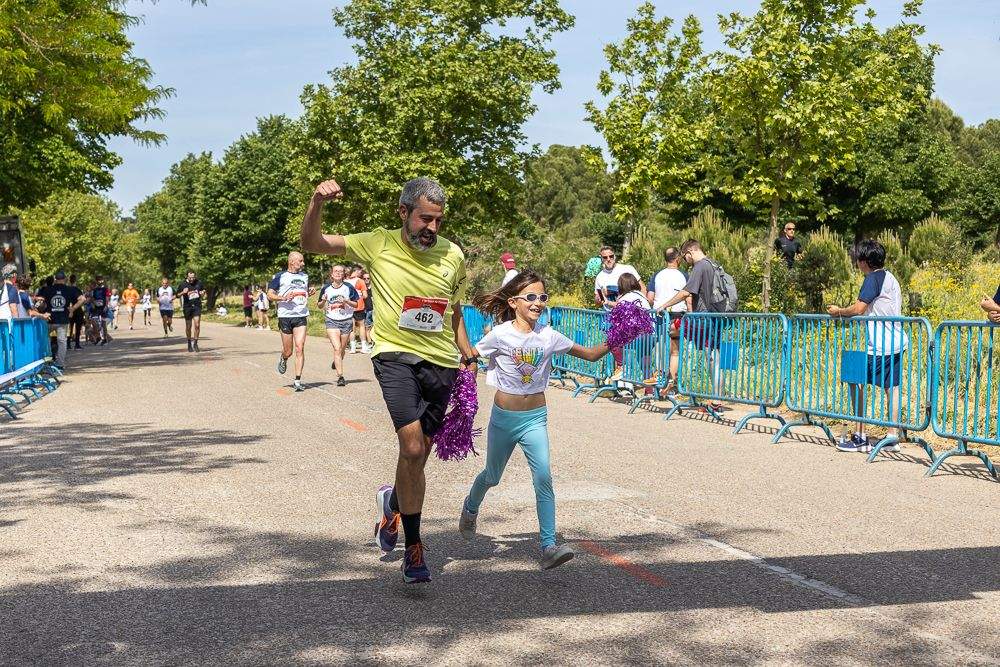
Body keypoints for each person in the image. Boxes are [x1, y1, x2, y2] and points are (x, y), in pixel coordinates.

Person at [301, 176, 477, 584]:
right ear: (403, 213)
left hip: (441, 363)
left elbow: (453, 313)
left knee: (419, 457)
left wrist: (466, 353)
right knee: (411, 445)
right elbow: (312, 243)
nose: (431, 228)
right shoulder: (377, 242)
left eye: (437, 221)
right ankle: (414, 549)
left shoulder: (454, 255)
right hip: (394, 357)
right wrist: (316, 202)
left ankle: (393, 502)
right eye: (424, 219)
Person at [459, 271, 610, 569]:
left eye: (542, 297)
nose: (538, 302)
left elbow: (591, 355)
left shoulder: (549, 335)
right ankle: (470, 506)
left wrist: (619, 337)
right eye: (531, 297)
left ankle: (548, 546)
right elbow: (471, 355)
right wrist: (466, 371)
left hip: (535, 419)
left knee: (543, 478)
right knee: (492, 476)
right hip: (504, 418)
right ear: (514, 302)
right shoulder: (500, 334)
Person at [827, 239, 905, 454]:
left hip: (880, 344)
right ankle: (892, 436)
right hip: (896, 341)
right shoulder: (891, 278)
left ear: (864, 261)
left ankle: (860, 436)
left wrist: (838, 311)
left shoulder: (872, 279)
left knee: (855, 380)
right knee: (892, 388)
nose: (857, 263)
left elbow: (859, 308)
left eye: (858, 259)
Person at [655, 240, 725, 411]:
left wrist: (664, 305)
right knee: (713, 357)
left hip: (703, 319)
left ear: (689, 252)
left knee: (674, 330)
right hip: (714, 317)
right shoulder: (713, 264)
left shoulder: (700, 266)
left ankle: (667, 379)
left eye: (685, 258)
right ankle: (716, 400)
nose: (686, 262)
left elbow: (686, 291)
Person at [646, 247, 692, 389]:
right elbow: (689, 298)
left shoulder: (657, 275)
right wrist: (692, 314)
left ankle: (659, 379)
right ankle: (672, 382)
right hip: (677, 317)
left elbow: (650, 298)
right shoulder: (684, 275)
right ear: (678, 259)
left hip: (660, 316)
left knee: (660, 347)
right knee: (675, 352)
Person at [267, 252, 312, 391]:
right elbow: (270, 295)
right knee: (289, 351)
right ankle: (284, 358)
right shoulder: (280, 276)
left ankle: (297, 381)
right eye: (301, 261)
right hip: (285, 316)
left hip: (301, 315)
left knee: (300, 347)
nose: (303, 263)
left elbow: (304, 291)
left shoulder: (304, 276)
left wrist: (309, 291)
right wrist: (282, 298)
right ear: (292, 262)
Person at [318, 264, 360, 387]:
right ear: (332, 274)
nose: (338, 273)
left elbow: (356, 305)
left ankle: (336, 361)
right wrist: (324, 301)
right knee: (337, 348)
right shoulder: (326, 288)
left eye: (340, 271)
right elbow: (319, 305)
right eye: (336, 271)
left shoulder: (349, 287)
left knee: (342, 349)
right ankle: (340, 376)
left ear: (343, 275)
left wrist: (346, 301)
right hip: (331, 320)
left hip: (346, 320)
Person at [36, 270, 84, 369]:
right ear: (65, 279)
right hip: (63, 319)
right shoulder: (70, 289)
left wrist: (40, 311)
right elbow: (82, 299)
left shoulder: (47, 289)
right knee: (62, 342)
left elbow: (37, 300)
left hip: (49, 318)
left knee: (45, 340)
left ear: (55, 279)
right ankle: (60, 363)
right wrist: (73, 308)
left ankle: (46, 361)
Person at [593, 246, 640, 310]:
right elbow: (598, 302)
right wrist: (602, 294)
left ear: (615, 256)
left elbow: (642, 289)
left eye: (611, 256)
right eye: (605, 257)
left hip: (630, 314)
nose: (608, 259)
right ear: (601, 259)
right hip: (610, 316)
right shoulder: (599, 277)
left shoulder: (628, 269)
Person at [176, 271, 205, 352]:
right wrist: (183, 292)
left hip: (197, 306)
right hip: (187, 307)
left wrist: (203, 293)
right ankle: (189, 343)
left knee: (197, 325)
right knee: (188, 326)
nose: (192, 279)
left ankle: (195, 343)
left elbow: (203, 291)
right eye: (190, 277)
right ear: (187, 277)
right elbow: (177, 295)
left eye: (193, 277)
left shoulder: (199, 283)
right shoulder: (183, 284)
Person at [349, 265, 370, 353]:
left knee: (352, 328)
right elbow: (365, 295)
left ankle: (353, 348)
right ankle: (364, 347)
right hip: (359, 306)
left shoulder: (346, 281)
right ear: (357, 271)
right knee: (361, 326)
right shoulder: (360, 281)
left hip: (349, 307)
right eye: (360, 272)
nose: (361, 274)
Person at [87, 276, 111, 345]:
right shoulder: (94, 290)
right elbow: (92, 298)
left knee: (103, 323)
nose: (100, 281)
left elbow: (107, 298)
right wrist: (94, 303)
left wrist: (106, 306)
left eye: (101, 280)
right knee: (93, 321)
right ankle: (98, 337)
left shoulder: (105, 289)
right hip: (96, 308)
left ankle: (105, 339)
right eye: (98, 280)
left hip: (103, 307)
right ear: (96, 281)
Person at [69, 274, 85, 349]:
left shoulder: (67, 289)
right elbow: (82, 300)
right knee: (77, 328)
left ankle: (68, 344)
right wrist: (75, 307)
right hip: (77, 310)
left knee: (70, 327)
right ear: (76, 280)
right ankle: (77, 344)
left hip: (69, 310)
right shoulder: (77, 290)